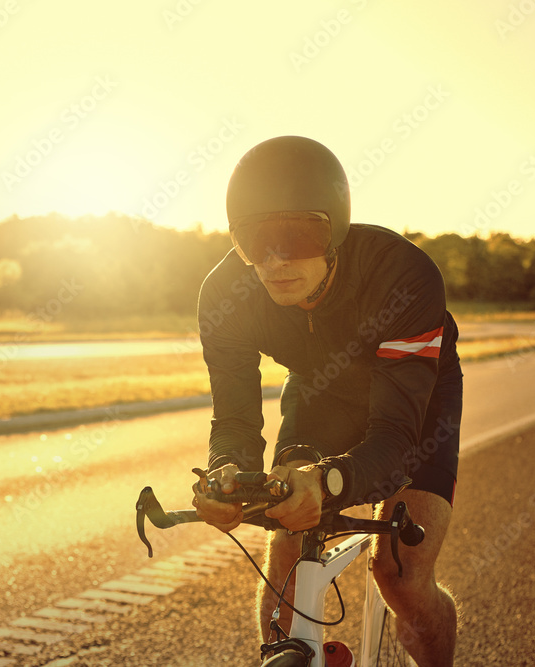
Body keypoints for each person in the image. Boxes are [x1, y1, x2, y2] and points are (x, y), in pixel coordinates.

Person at [192, 135, 462, 666]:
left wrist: (331, 480)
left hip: (414, 401)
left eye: (297, 235)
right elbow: (234, 420)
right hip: (320, 390)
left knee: (401, 576)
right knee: (287, 552)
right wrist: (227, 474)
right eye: (254, 241)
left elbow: (392, 438)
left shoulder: (403, 276)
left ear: (335, 228)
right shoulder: (225, 295)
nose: (274, 261)